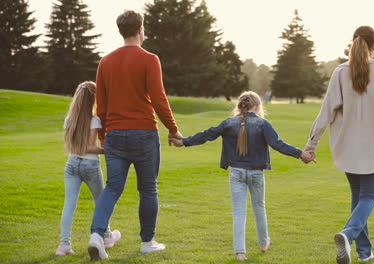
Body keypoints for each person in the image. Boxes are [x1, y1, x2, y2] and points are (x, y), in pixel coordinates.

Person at [170, 91, 313, 261]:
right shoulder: (262, 124)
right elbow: (277, 144)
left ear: (239, 106)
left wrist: (184, 142)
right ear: (258, 106)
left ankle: (240, 253)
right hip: (256, 173)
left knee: (239, 212)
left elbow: (207, 135)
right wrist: (301, 154)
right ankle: (263, 242)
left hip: (236, 172)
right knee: (259, 207)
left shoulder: (228, 123)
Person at [87, 10, 182, 261]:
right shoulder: (150, 59)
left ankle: (96, 236)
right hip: (144, 134)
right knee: (148, 189)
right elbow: (159, 99)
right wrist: (173, 129)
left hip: (115, 135)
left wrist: (103, 135)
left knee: (113, 187)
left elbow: (101, 105)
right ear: (140, 29)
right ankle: (147, 242)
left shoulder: (105, 61)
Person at [303, 26, 374, 264]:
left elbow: (325, 111)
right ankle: (347, 235)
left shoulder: (339, 72)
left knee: (358, 197)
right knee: (368, 197)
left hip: (346, 146)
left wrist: (311, 144)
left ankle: (364, 253)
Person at [56, 81, 121, 256]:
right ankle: (107, 236)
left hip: (71, 164)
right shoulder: (94, 120)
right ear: (93, 99)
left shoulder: (69, 119)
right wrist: (108, 150)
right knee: (101, 202)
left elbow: (77, 147)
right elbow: (89, 148)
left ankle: (64, 246)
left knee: (69, 205)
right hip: (90, 166)